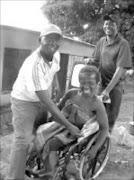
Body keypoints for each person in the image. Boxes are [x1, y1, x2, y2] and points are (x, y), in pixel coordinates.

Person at [6, 23, 81, 180]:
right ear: (40, 40)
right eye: (49, 38)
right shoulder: (34, 64)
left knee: (40, 132)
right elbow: (49, 105)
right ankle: (14, 176)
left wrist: (57, 89)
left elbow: (54, 73)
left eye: (56, 39)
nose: (53, 42)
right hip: (24, 102)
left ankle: (31, 162)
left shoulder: (56, 54)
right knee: (23, 140)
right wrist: (69, 126)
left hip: (40, 99)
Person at [40, 65, 109, 177]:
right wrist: (52, 117)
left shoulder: (97, 105)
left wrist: (95, 149)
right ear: (79, 82)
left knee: (51, 143)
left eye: (91, 83)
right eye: (82, 82)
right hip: (64, 125)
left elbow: (104, 128)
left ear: (97, 84)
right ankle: (49, 167)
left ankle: (52, 172)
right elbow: (58, 109)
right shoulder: (72, 93)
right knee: (40, 137)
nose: (86, 86)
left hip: (79, 134)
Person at [87, 14, 132, 132]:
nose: (108, 26)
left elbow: (120, 69)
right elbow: (96, 60)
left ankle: (103, 146)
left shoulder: (123, 44)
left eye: (112, 24)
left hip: (115, 86)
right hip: (101, 83)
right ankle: (91, 141)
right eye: (106, 23)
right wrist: (89, 61)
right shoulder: (102, 41)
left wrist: (107, 90)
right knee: (94, 114)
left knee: (110, 119)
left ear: (117, 27)